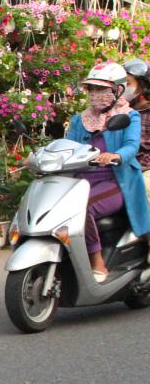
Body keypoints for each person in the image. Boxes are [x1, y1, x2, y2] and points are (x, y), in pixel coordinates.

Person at [66, 62, 150, 282]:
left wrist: (116, 155)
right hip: (81, 181)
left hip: (116, 180)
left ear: (117, 90)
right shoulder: (80, 119)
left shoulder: (129, 116)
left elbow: (132, 146)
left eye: (102, 89)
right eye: (92, 89)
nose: (96, 94)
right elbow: (67, 146)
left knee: (81, 210)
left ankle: (97, 262)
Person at [123, 58, 150, 207]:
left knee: (142, 189)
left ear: (143, 86)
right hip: (122, 166)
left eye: (128, 83)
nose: (123, 88)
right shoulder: (121, 111)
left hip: (144, 170)